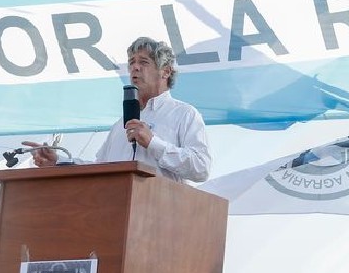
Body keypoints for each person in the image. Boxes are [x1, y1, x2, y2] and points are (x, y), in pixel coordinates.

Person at [23, 37, 211, 183]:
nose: (134, 67)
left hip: (159, 221)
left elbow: (201, 168)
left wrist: (153, 143)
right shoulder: (120, 125)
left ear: (166, 72)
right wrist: (58, 162)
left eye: (144, 62)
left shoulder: (185, 114)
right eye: (131, 62)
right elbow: (100, 168)